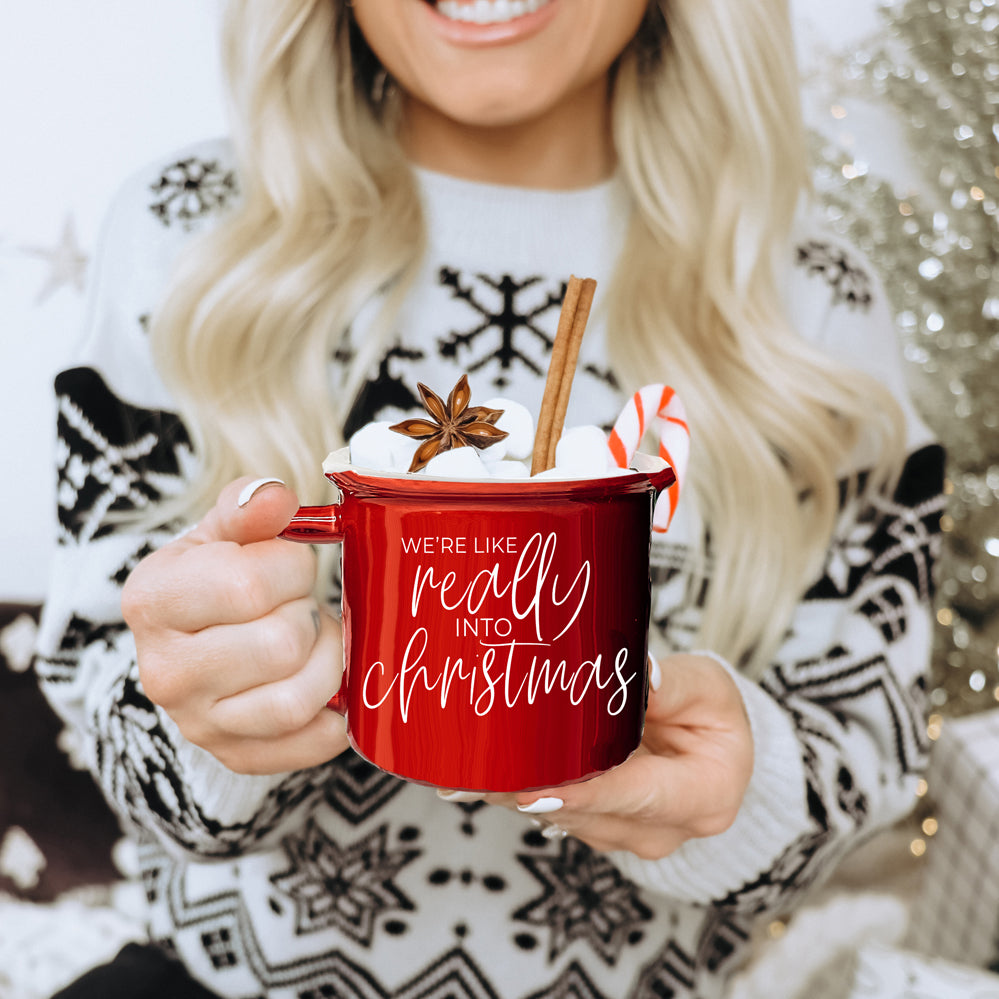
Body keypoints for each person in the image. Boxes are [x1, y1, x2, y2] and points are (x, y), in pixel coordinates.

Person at [37, 1, 946, 996]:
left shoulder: (811, 301)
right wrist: (214, 727)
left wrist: (747, 791)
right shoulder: (191, 234)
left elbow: (871, 749)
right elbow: (103, 703)